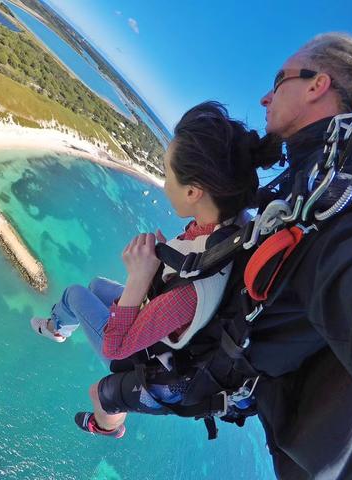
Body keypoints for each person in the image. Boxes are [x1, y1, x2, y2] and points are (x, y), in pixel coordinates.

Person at [31, 101, 281, 438]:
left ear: (193, 192)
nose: (164, 185)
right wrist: (168, 260)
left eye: (167, 175)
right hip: (165, 326)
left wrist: (138, 278)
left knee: (75, 293)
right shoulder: (230, 226)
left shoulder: (191, 289)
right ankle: (61, 325)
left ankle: (57, 330)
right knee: (96, 285)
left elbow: (117, 349)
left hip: (147, 354)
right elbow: (194, 251)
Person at [237, 33, 352, 479]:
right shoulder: (315, 184)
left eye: (279, 80)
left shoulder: (336, 205)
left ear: (317, 85)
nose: (265, 95)